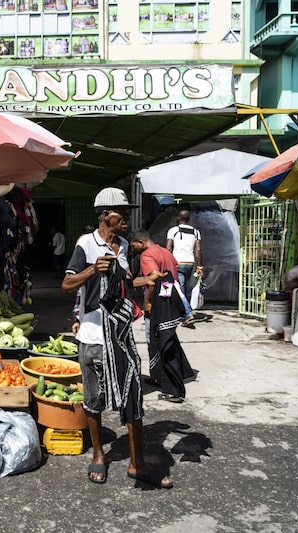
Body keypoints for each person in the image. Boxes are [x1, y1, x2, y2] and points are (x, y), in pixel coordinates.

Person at [62, 187, 173, 489]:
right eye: (121, 212)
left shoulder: (124, 245)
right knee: (93, 399)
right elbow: (67, 283)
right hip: (93, 336)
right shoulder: (86, 244)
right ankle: (99, 454)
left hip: (121, 335)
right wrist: (91, 270)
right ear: (105, 215)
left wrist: (145, 281)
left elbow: (124, 284)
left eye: (128, 211)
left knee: (133, 394)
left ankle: (138, 465)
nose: (127, 216)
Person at [130, 229, 194, 403]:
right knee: (166, 340)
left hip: (158, 303)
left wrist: (147, 301)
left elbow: (153, 278)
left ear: (141, 242)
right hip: (170, 300)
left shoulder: (146, 255)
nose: (133, 249)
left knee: (158, 342)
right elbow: (173, 272)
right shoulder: (166, 252)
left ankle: (172, 387)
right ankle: (158, 377)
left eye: (133, 245)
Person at [166, 209, 202, 326]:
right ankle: (182, 313)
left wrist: (166, 263)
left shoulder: (173, 230)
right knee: (183, 288)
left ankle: (188, 314)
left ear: (178, 218)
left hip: (177, 263)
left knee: (179, 290)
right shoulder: (196, 232)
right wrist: (200, 266)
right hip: (190, 263)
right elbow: (198, 250)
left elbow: (168, 248)